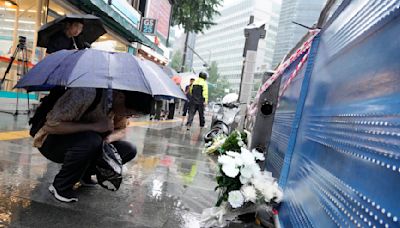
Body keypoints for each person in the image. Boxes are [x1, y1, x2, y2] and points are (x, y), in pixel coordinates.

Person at [34, 87, 153, 202]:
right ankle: (60, 185)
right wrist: (94, 126)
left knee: (129, 149)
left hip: (85, 143)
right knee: (92, 140)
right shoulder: (85, 93)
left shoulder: (117, 106)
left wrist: (109, 138)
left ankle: (83, 174)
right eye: (128, 112)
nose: (128, 116)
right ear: (120, 97)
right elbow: (51, 126)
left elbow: (121, 129)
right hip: (51, 143)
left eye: (132, 115)